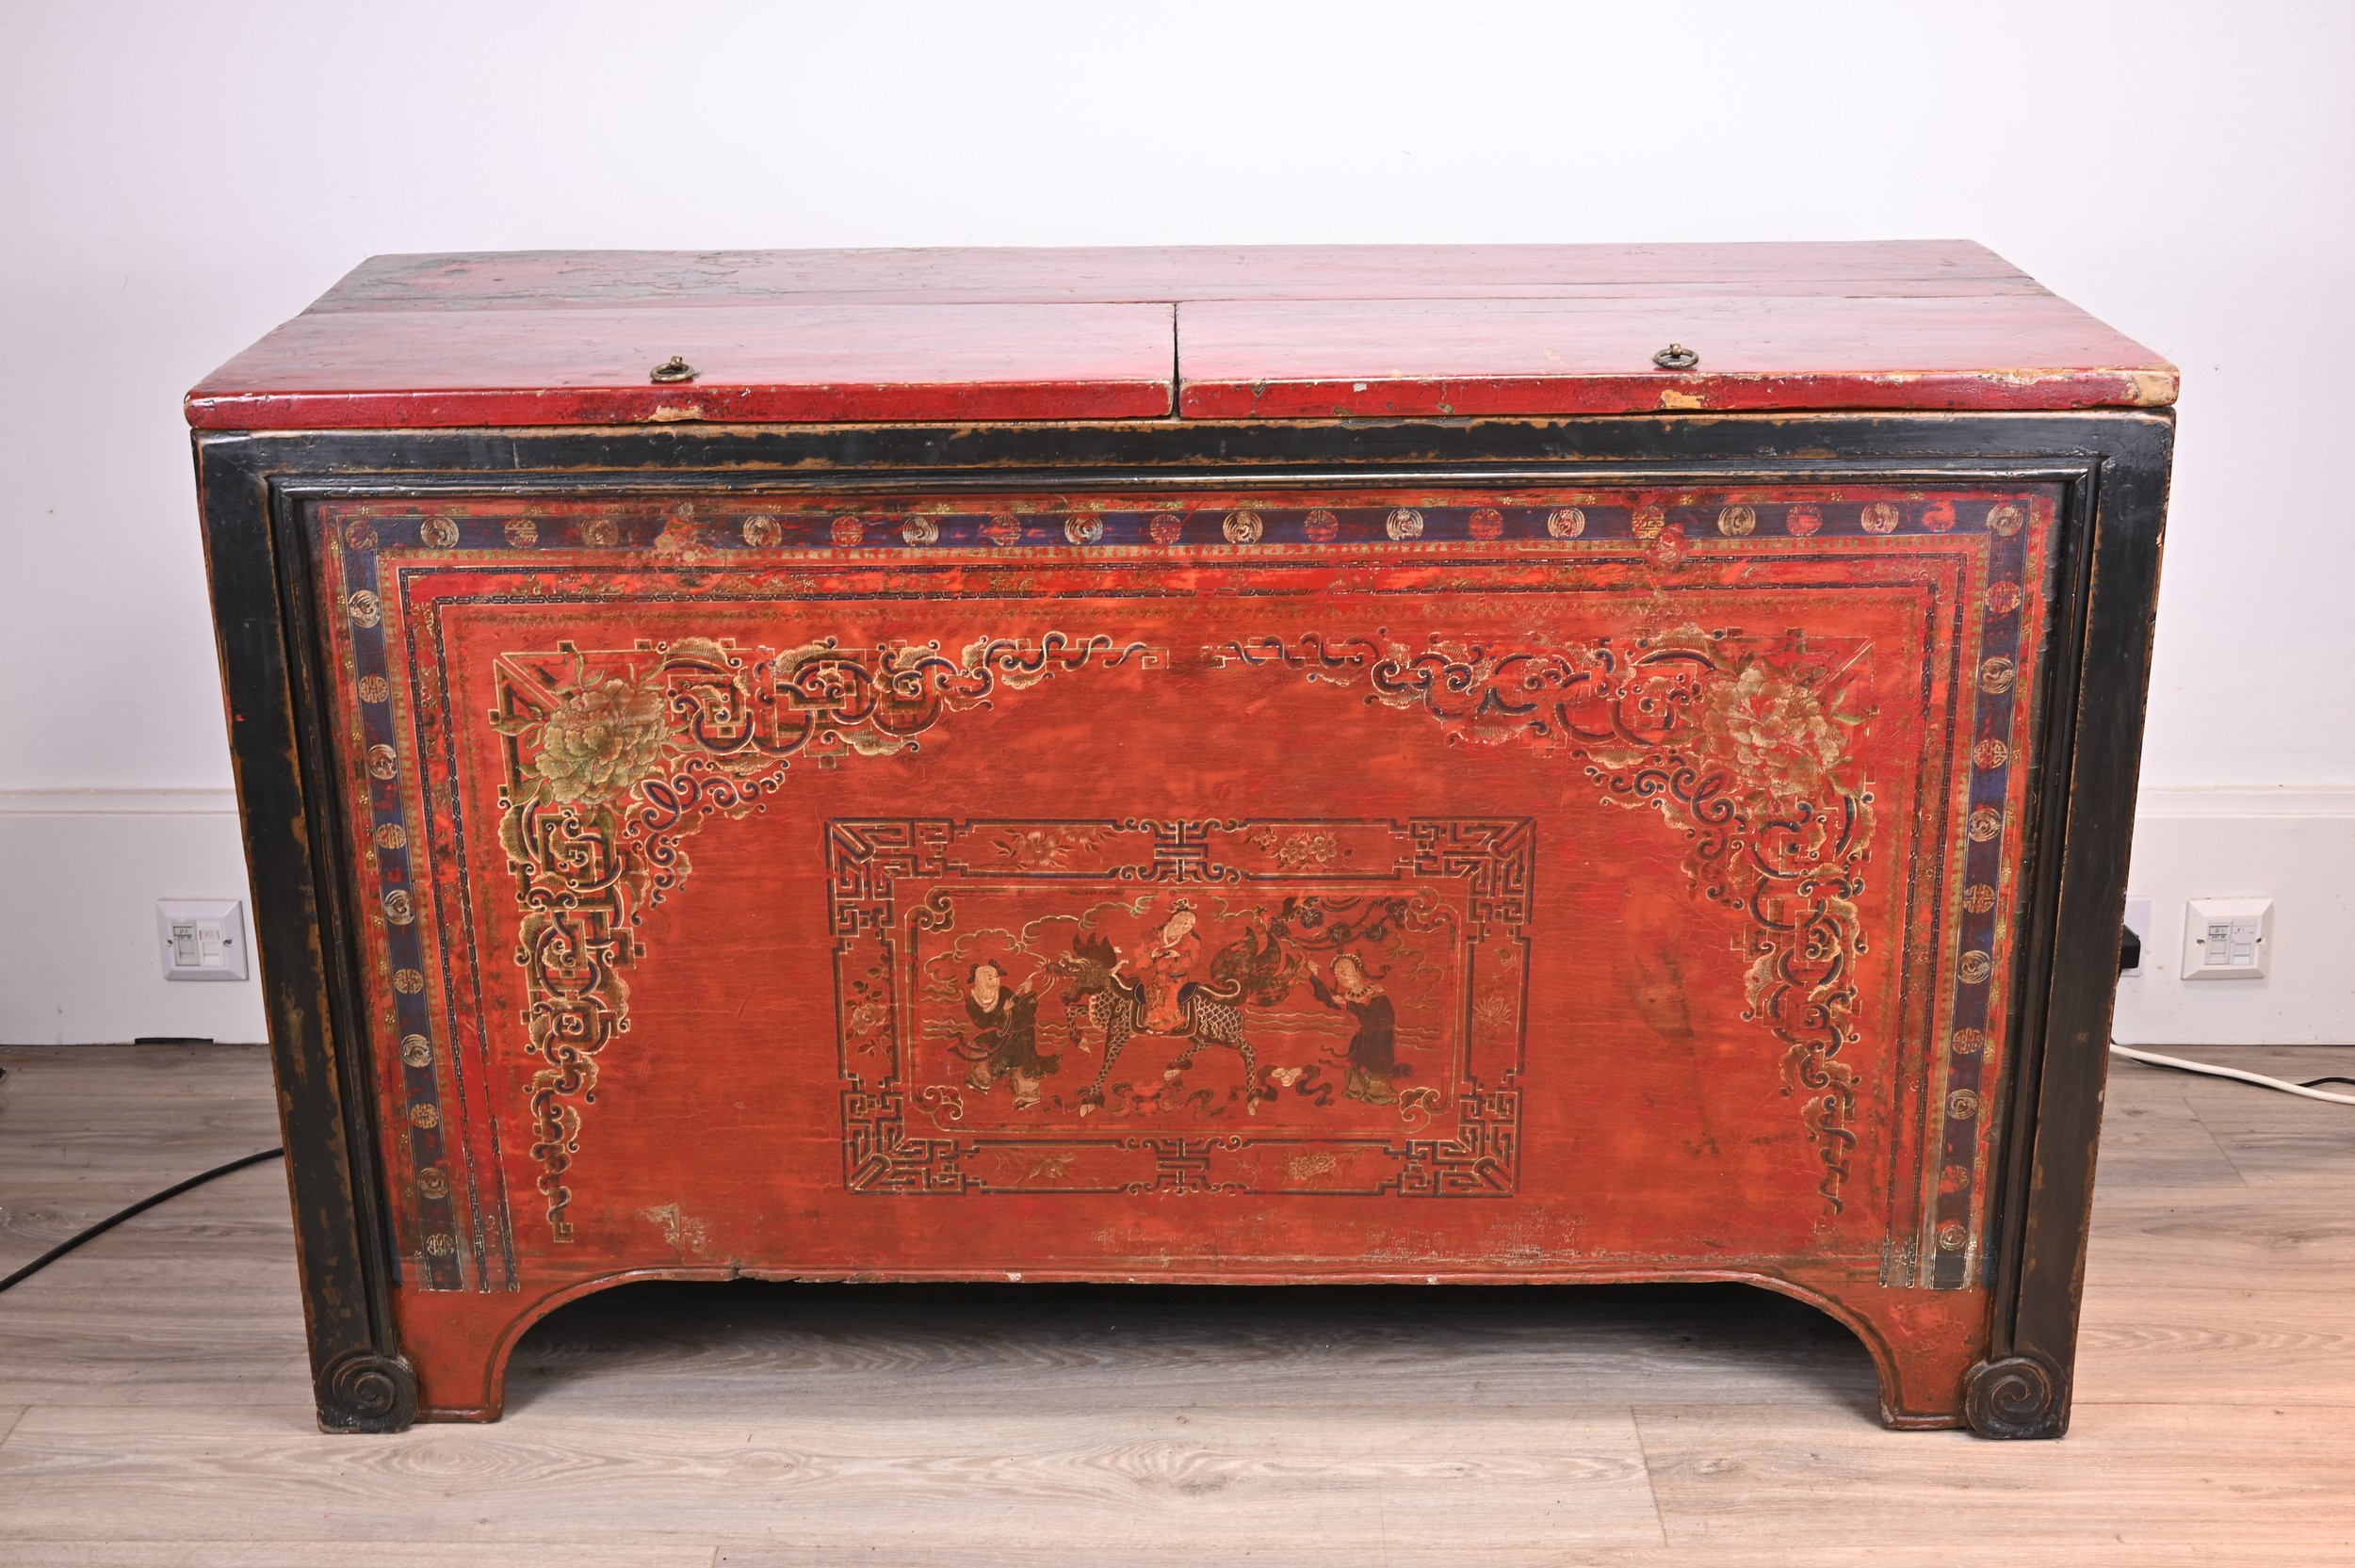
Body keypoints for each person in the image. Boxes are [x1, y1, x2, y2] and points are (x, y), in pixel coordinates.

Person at [1307, 953, 1402, 1105]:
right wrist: (1316, 975)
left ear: (1358, 971)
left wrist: (1349, 1005)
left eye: (1345, 972)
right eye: (1338, 975)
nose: (1341, 977)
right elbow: (1328, 996)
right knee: (1355, 1064)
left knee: (1375, 1068)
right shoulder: (1349, 995)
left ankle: (1379, 1094)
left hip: (1380, 1038)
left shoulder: (1375, 992)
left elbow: (1374, 1019)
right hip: (1364, 1037)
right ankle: (1355, 1090)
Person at [963, 961, 1057, 1107]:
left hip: (1014, 1034)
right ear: (980, 980)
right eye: (990, 978)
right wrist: (1004, 1012)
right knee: (984, 1053)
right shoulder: (972, 1001)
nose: (995, 982)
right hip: (995, 1036)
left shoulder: (1004, 992)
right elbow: (983, 1024)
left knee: (1024, 1045)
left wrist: (1027, 993)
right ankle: (981, 1081)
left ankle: (1027, 1094)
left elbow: (1025, 1013)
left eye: (996, 977)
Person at [1134, 905, 1200, 1034]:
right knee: (1154, 991)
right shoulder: (1156, 935)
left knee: (1169, 992)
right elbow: (1140, 962)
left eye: (1191, 924)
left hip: (1178, 977)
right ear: (1176, 920)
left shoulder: (1191, 940)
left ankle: (1166, 1026)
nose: (1188, 926)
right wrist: (1153, 955)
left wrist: (1178, 957)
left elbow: (1194, 961)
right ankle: (1154, 1023)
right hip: (1159, 977)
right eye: (1185, 922)